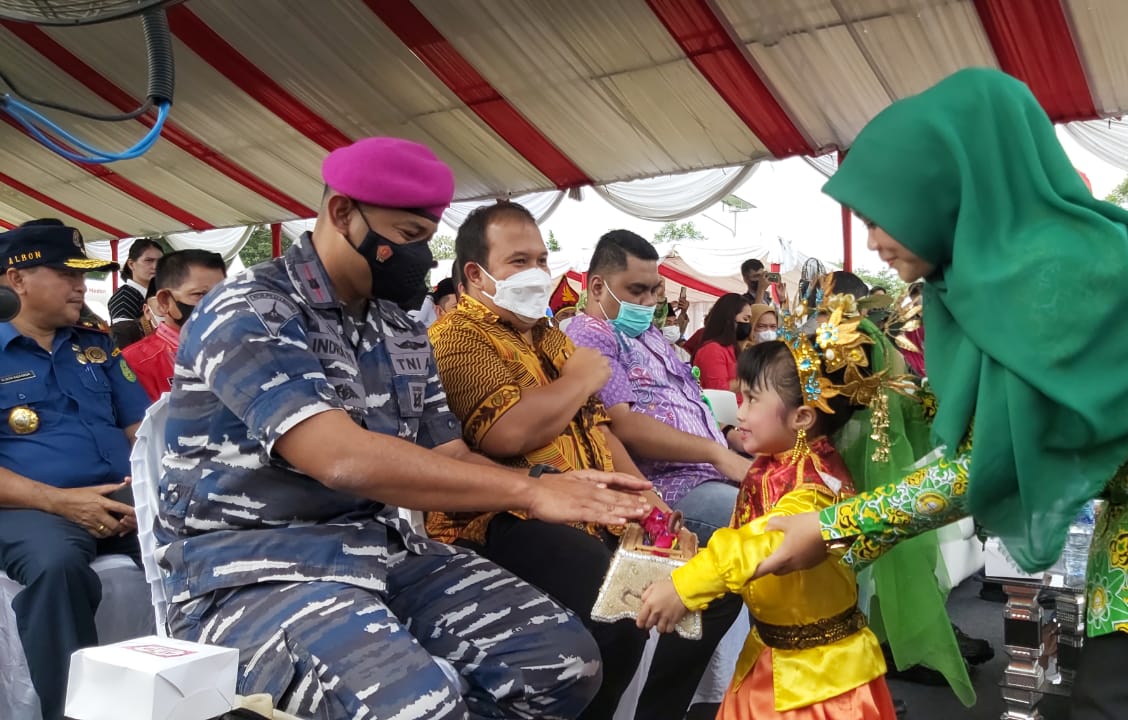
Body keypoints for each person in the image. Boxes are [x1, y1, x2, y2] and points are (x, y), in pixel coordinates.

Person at [756, 69, 1128, 720]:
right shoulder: (1033, 262)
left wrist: (833, 529)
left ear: (948, 190)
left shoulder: (1055, 278)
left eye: (879, 214)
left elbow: (992, 461)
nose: (872, 240)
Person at [157, 137, 652, 720]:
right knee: (421, 707)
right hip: (255, 572)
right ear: (343, 213)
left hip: (384, 552)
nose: (422, 258)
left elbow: (451, 453)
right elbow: (341, 457)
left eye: (428, 237)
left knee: (565, 666)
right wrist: (529, 491)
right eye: (409, 237)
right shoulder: (251, 308)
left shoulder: (399, 328)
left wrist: (561, 484)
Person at [428, 203, 740, 720]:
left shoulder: (544, 335)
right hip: (505, 511)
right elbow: (507, 433)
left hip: (595, 501)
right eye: (518, 261)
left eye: (541, 259)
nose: (537, 274)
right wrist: (581, 380)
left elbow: (594, 425)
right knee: (620, 602)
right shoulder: (457, 337)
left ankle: (653, 713)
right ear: (475, 274)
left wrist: (649, 497)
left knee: (712, 582)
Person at [638, 335, 897, 720]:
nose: (739, 414)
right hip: (771, 655)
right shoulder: (773, 465)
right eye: (739, 398)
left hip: (818, 680)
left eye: (752, 400)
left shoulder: (815, 486)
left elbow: (759, 543)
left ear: (802, 417)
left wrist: (685, 586)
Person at [0, 223, 150, 720]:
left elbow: (141, 430)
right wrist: (60, 502)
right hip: (29, 506)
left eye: (82, 275)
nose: (81, 286)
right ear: (17, 280)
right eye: (66, 274)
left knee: (201, 538)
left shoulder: (97, 345)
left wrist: (146, 492)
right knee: (55, 566)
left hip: (123, 498)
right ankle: (72, 712)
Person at [565, 229, 751, 544]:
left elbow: (685, 404)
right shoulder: (591, 335)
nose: (649, 302)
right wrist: (716, 453)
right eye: (637, 290)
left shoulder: (648, 334)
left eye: (654, 290)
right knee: (773, 526)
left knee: (802, 499)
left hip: (714, 472)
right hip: (671, 490)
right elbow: (622, 425)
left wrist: (730, 437)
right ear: (597, 287)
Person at [122, 250, 226, 402]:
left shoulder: (238, 350)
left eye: (221, 294)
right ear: (164, 301)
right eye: (199, 295)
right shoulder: (136, 362)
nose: (215, 304)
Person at [693, 292, 751, 393]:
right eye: (745, 319)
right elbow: (719, 391)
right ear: (730, 318)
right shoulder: (712, 350)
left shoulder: (733, 348)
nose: (748, 324)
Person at [107, 238, 163, 324]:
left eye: (160, 261)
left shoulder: (160, 294)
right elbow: (123, 334)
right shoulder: (124, 297)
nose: (155, 266)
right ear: (131, 264)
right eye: (148, 260)